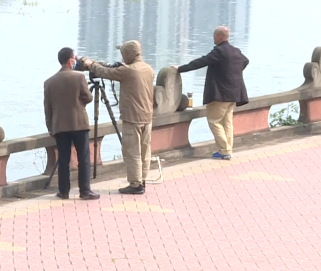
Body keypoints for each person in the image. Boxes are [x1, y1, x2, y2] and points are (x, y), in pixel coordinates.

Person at [83, 41, 155, 195]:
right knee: (144, 150)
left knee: (132, 151)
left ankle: (135, 184)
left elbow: (106, 73)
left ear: (128, 54)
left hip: (132, 117)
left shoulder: (128, 70)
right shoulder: (148, 68)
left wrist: (91, 64)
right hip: (147, 116)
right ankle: (141, 179)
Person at [172, 26, 249, 160]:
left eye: (214, 35)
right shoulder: (235, 51)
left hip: (220, 95)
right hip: (234, 94)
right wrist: (232, 72)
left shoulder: (219, 52)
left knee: (214, 121)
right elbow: (245, 61)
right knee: (227, 122)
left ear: (219, 37)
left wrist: (180, 69)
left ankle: (225, 151)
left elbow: (201, 62)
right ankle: (227, 149)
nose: (213, 38)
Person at [43, 47, 100, 200]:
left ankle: (63, 191)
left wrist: (50, 127)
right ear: (70, 60)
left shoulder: (49, 82)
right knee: (84, 157)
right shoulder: (79, 78)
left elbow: (47, 108)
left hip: (59, 126)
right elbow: (88, 98)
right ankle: (85, 191)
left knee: (63, 159)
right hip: (79, 124)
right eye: (74, 58)